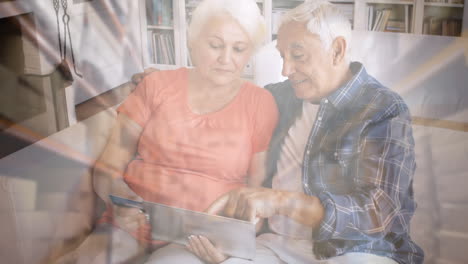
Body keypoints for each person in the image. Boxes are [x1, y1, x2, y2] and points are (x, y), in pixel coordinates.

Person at [145, 1, 424, 264]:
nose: (285, 69)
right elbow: (223, 96)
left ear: (337, 50)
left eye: (298, 56)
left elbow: (378, 213)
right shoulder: (280, 97)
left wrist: (281, 202)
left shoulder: (383, 108)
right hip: (273, 244)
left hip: (354, 251)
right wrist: (160, 82)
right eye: (282, 56)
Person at [56, 0, 278, 263]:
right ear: (192, 41)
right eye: (215, 45)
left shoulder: (260, 102)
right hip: (129, 226)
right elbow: (108, 166)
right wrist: (120, 199)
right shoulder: (155, 86)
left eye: (239, 48)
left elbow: (258, 191)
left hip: (199, 238)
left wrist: (234, 243)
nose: (225, 59)